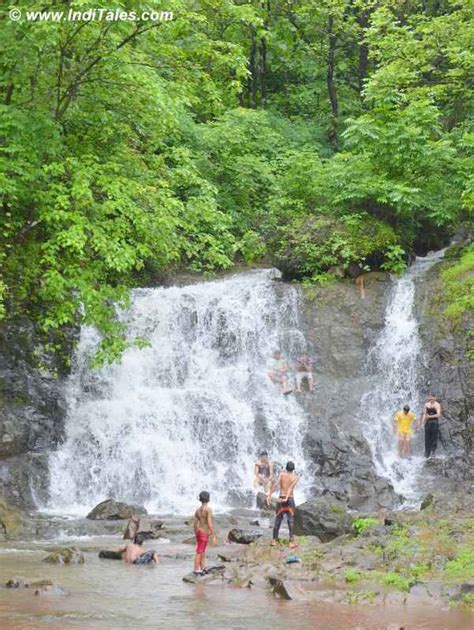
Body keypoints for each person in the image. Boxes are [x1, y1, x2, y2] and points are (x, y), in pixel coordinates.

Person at [267, 461, 299, 548]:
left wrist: (269, 495)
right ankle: (291, 542)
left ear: (286, 468)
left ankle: (274, 540)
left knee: (278, 519)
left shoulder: (282, 474)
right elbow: (291, 488)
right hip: (290, 499)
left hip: (281, 497)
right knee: (290, 520)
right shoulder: (295, 477)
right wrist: (287, 498)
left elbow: (276, 485)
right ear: (293, 469)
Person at [193, 490, 218, 576]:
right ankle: (196, 569)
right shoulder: (208, 509)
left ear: (200, 499)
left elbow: (195, 524)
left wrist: (196, 534)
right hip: (204, 533)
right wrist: (213, 535)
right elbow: (209, 523)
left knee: (202, 552)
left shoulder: (197, 511)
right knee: (199, 552)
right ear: (208, 499)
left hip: (199, 532)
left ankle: (203, 568)